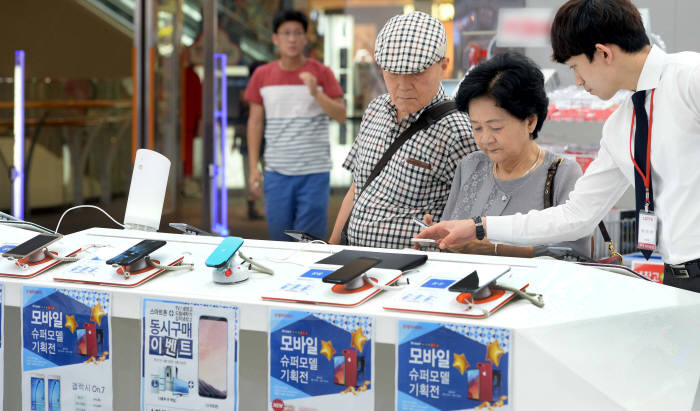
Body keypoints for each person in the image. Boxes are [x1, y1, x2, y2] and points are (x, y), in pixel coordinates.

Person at [416, 0, 700, 293]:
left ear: (603, 53)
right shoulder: (621, 125)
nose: (577, 81)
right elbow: (575, 216)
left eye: (576, 66)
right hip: (678, 276)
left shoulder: (690, 78)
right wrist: (479, 227)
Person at [329, 11, 477, 249]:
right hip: (354, 256)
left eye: (416, 73)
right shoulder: (376, 109)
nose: (403, 86)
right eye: (393, 73)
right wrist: (333, 245)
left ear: (444, 66)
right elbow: (357, 186)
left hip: (414, 268)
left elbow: (476, 214)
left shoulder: (459, 130)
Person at [431, 52, 591, 258]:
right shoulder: (469, 166)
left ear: (530, 121)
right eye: (477, 128)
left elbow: (575, 253)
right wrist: (442, 236)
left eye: (495, 127)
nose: (486, 139)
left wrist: (495, 248)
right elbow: (452, 233)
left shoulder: (562, 173)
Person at [244, 10, 346, 241]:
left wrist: (316, 93)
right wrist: (253, 169)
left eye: (297, 33)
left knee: (309, 241)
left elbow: (341, 114)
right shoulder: (262, 75)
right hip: (276, 173)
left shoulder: (322, 73)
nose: (292, 39)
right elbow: (255, 122)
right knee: (279, 241)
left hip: (314, 173)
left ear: (305, 38)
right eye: (286, 33)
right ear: (275, 38)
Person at [238, 60, 267, 220]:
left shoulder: (245, 91)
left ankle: (256, 206)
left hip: (254, 139)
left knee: (250, 173)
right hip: (253, 138)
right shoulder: (252, 91)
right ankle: (254, 207)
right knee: (253, 173)